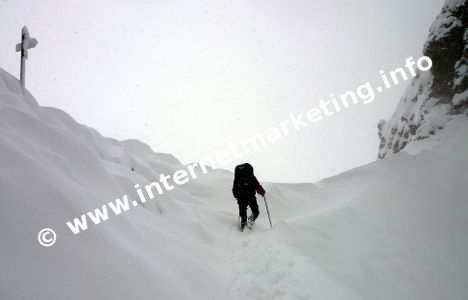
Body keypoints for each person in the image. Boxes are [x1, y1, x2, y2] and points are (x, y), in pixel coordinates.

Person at [232, 163, 265, 231]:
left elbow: (234, 188)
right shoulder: (251, 176)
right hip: (251, 198)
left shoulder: (238, 177)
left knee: (243, 213)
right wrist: (262, 192)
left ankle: (243, 225)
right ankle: (251, 220)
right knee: (256, 212)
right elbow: (257, 186)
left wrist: (236, 196)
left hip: (241, 199)